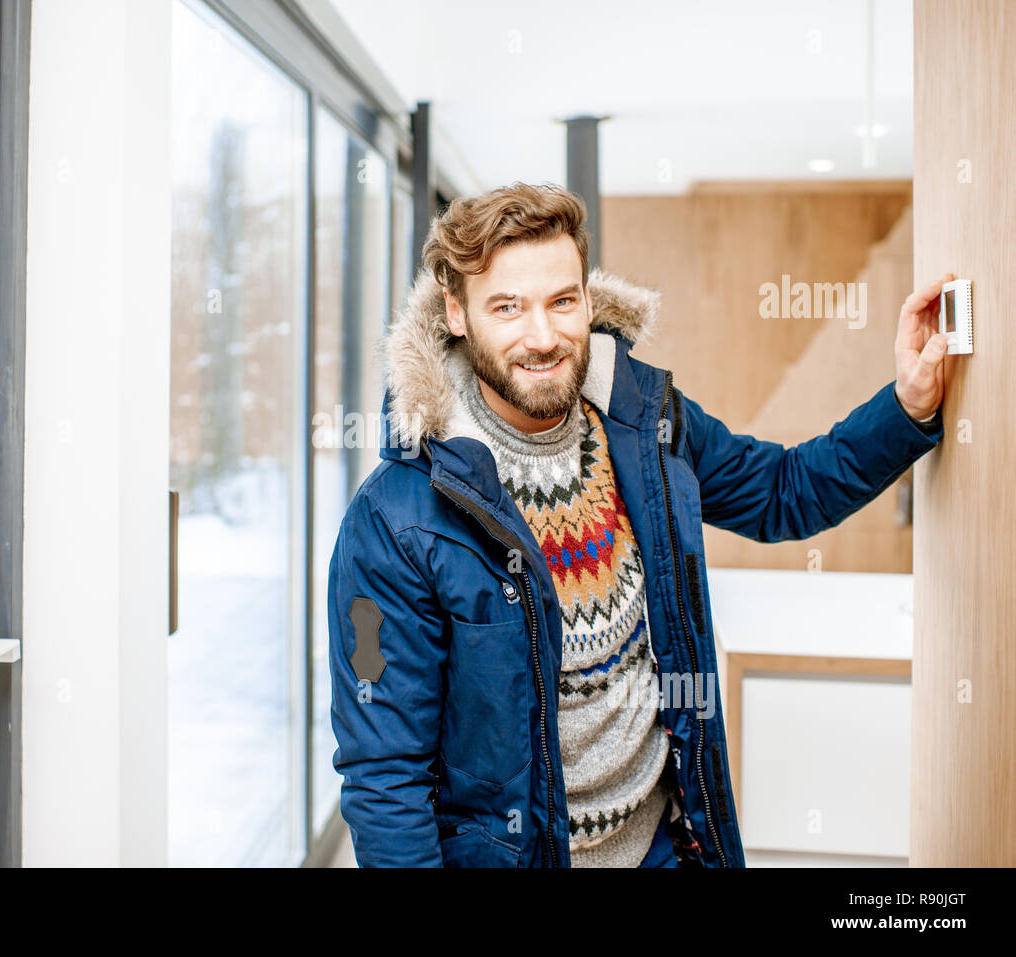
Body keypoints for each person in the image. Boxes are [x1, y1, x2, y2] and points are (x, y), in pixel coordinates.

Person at [327, 182, 949, 867]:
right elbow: (386, 779)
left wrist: (908, 407)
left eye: (562, 301)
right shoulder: (395, 517)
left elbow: (784, 491)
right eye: (508, 307)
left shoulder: (647, 423)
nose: (543, 336)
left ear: (588, 299)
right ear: (457, 312)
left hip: (664, 850)